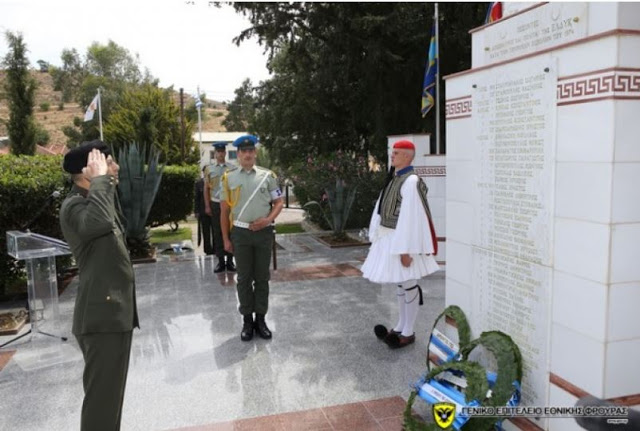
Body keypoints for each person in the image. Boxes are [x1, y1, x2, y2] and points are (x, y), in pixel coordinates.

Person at [59, 140, 139, 431]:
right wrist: (102, 180)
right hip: (101, 318)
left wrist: (101, 183)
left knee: (110, 400)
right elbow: (99, 222)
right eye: (108, 162)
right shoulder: (75, 205)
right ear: (87, 171)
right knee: (101, 403)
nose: (115, 168)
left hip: (114, 314)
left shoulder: (94, 197)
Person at [361, 139, 439, 348]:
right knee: (401, 282)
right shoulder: (395, 178)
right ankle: (399, 326)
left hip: (402, 240)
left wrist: (405, 250)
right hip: (389, 237)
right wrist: (375, 234)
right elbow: (381, 206)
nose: (392, 156)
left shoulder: (411, 181)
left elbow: (411, 219)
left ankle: (409, 331)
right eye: (392, 153)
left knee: (408, 283)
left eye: (396, 153)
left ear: (407, 156)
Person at [220, 135, 283, 341]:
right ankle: (247, 320)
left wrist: (268, 221)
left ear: (255, 153)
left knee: (262, 277)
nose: (247, 154)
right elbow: (223, 211)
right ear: (238, 154)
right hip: (241, 234)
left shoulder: (268, 176)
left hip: (263, 233)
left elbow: (279, 203)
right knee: (244, 278)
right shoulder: (228, 178)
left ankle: (261, 320)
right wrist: (226, 240)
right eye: (243, 151)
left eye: (250, 151)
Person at [204, 142, 237, 272]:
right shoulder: (209, 169)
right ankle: (220, 261)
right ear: (215, 154)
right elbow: (206, 189)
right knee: (217, 232)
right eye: (218, 152)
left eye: (222, 152)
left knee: (230, 231)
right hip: (216, 203)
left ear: (225, 153)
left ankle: (230, 261)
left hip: (229, 204)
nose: (220, 154)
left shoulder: (232, 168)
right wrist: (207, 206)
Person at [195, 166, 215, 255]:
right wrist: (196, 211)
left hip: (214, 210)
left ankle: (216, 248)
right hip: (203, 211)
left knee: (215, 231)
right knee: (205, 231)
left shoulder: (214, 182)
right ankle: (207, 249)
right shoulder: (199, 183)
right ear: (203, 172)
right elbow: (196, 198)